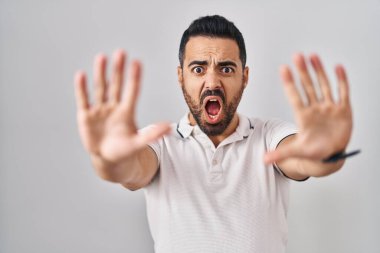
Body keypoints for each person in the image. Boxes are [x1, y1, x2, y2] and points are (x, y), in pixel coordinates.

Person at [74, 15, 354, 253]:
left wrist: (327, 152)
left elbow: (307, 159)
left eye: (226, 68)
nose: (212, 82)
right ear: (181, 76)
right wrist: (106, 159)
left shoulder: (270, 135)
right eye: (198, 69)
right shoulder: (159, 143)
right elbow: (129, 167)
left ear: (244, 77)